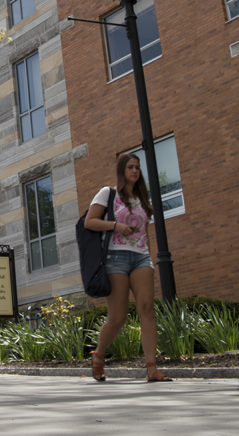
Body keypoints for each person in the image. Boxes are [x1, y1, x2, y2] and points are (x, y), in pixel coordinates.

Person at [84, 152, 171, 383]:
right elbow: (89, 222)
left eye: (137, 167)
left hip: (141, 258)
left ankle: (152, 368)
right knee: (118, 317)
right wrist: (115, 226)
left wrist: (149, 257)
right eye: (130, 167)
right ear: (122, 170)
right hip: (115, 259)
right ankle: (98, 356)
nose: (135, 171)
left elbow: (146, 232)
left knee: (147, 310)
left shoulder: (142, 198)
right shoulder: (108, 193)